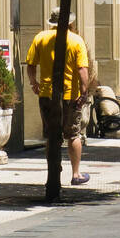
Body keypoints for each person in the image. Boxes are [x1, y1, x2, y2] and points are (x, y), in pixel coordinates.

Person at [25, 10, 91, 185]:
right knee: (73, 134)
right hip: (71, 95)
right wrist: (84, 92)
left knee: (52, 136)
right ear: (70, 22)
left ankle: (52, 176)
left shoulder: (41, 38)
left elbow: (30, 65)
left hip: (47, 94)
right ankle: (76, 174)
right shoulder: (76, 40)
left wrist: (34, 83)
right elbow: (82, 70)